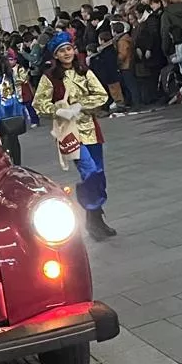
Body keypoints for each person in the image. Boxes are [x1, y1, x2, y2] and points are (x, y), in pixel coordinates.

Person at [33, 32, 116, 239]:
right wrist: (59, 110)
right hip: (69, 133)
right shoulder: (50, 77)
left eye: (68, 48)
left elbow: (102, 95)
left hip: (90, 129)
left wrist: (81, 106)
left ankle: (94, 216)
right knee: (89, 172)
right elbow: (38, 103)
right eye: (61, 51)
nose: (67, 53)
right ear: (56, 55)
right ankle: (93, 213)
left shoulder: (84, 71)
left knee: (99, 173)